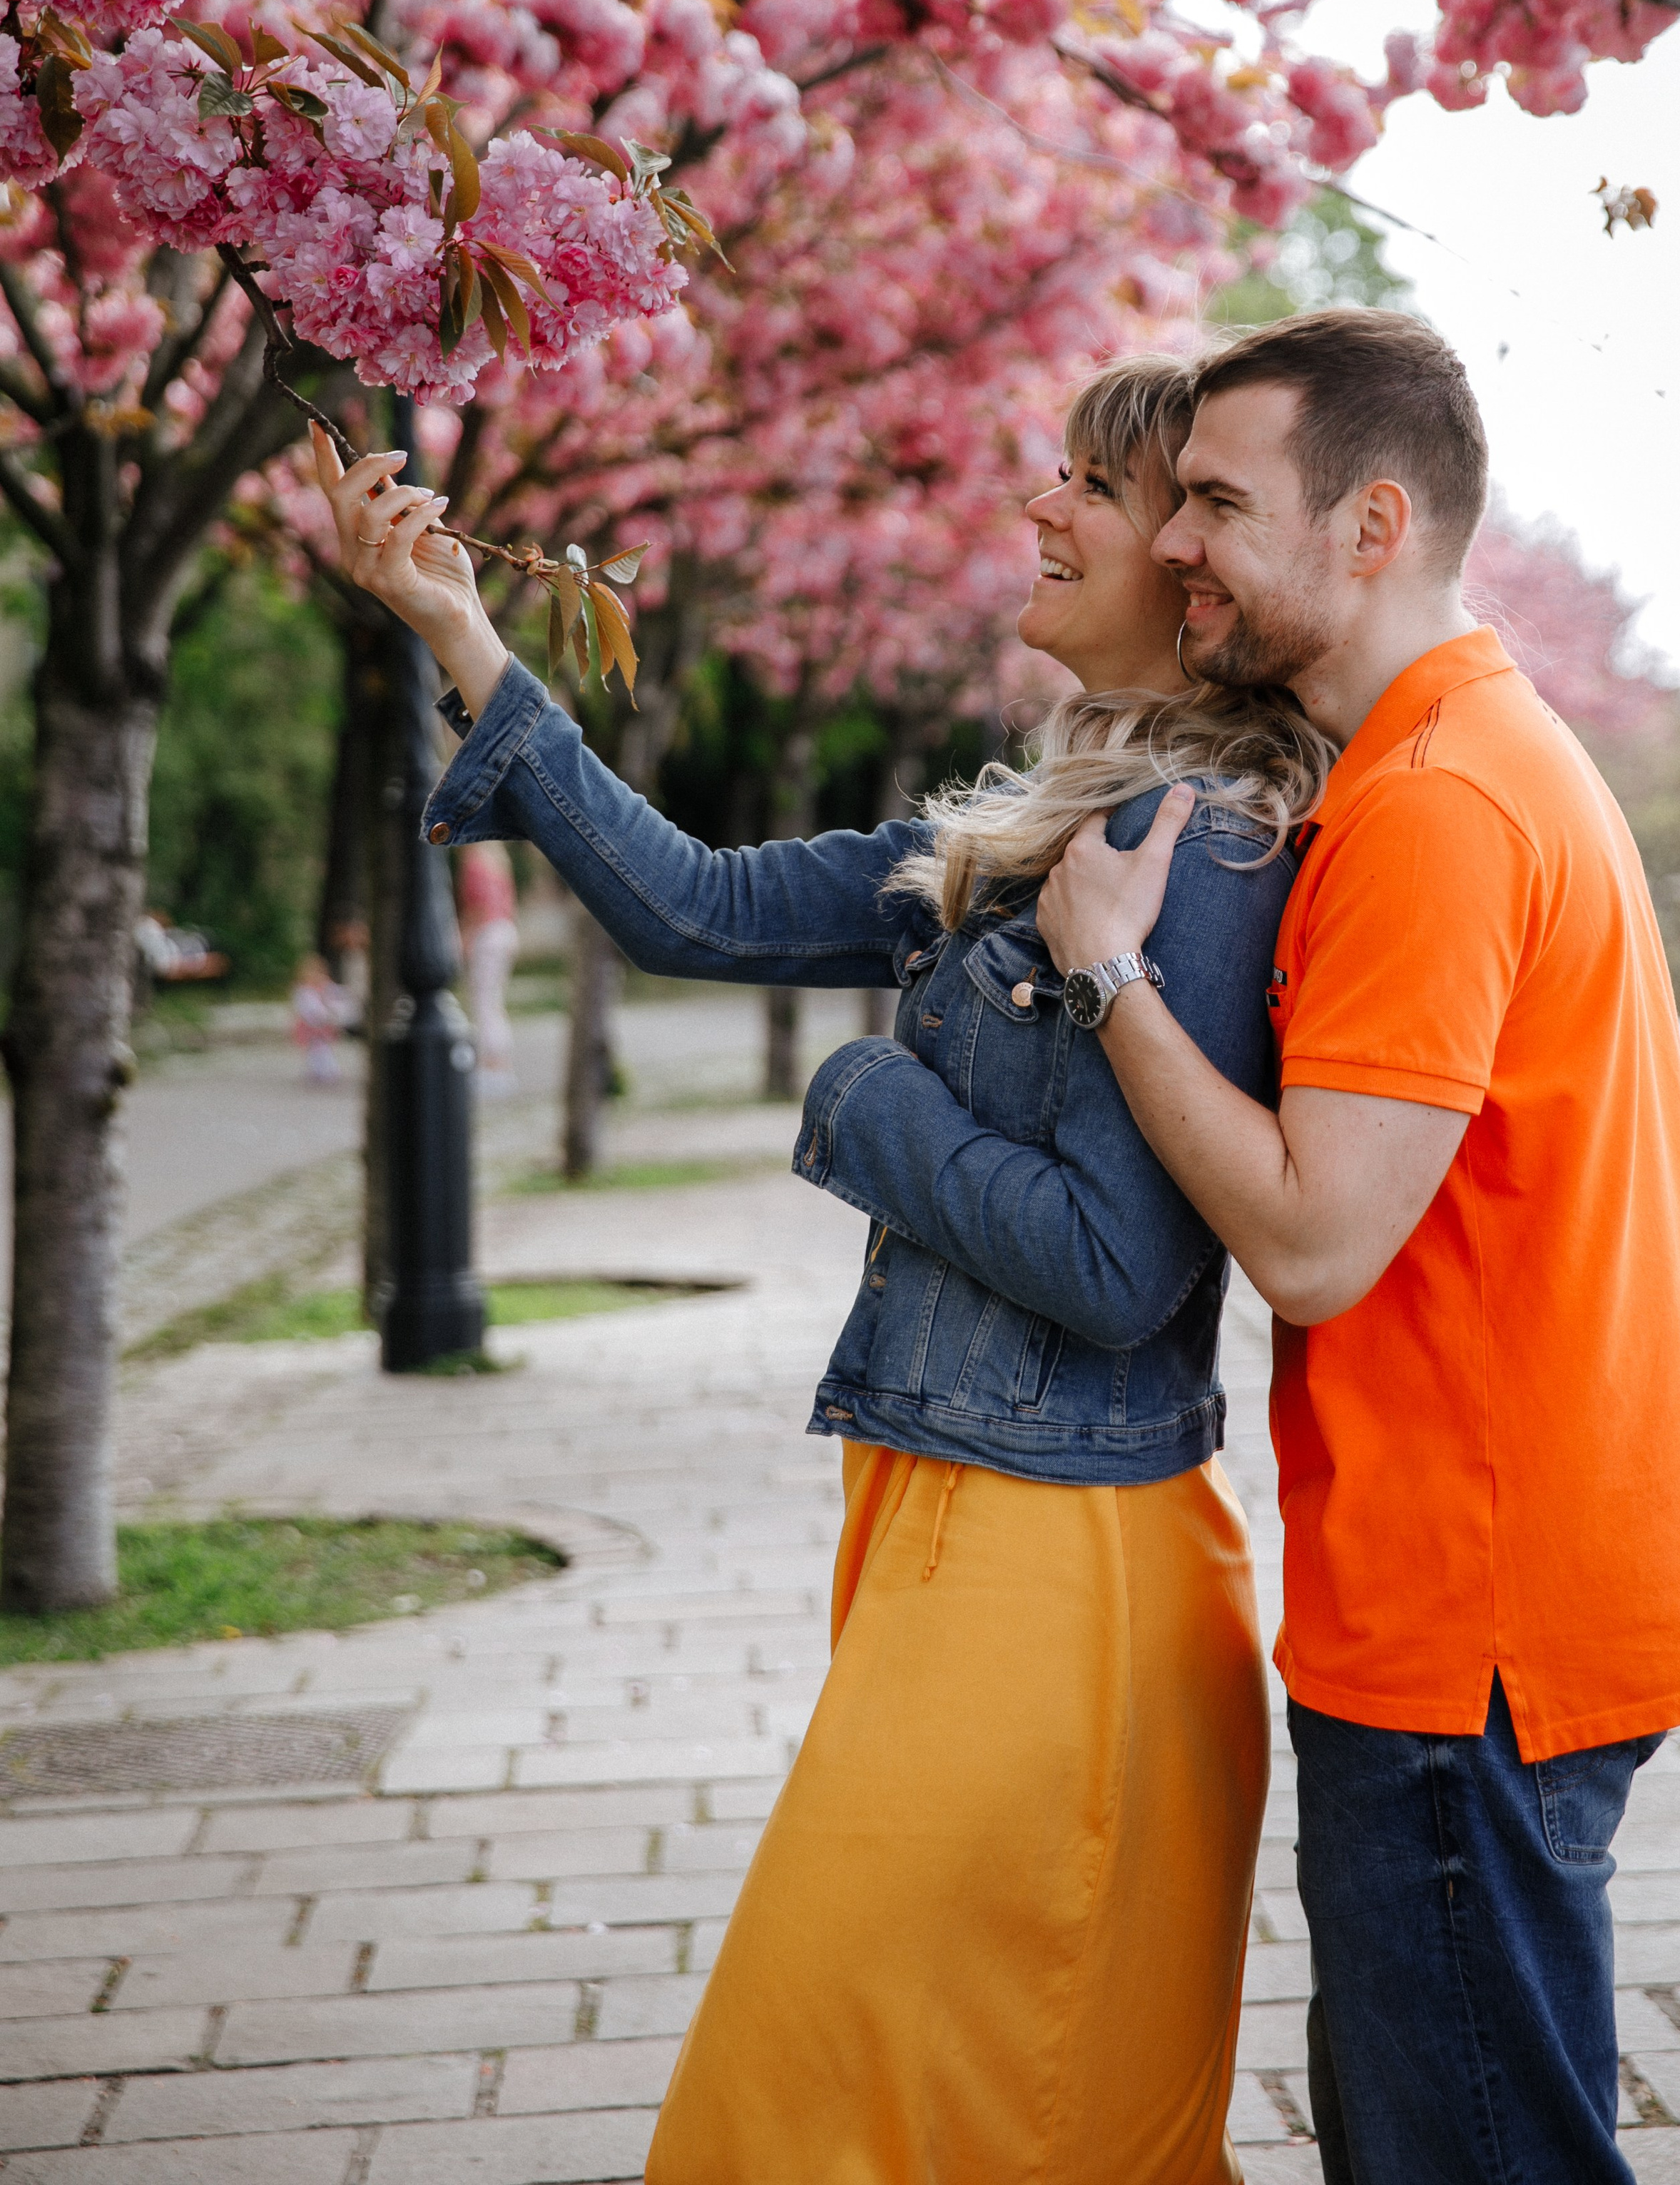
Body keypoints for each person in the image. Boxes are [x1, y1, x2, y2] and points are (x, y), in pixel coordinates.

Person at [312, 362, 1329, 2184]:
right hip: (955, 1514)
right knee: (990, 2114)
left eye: (1087, 487)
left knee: (801, 2110)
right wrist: (458, 626)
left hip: (1055, 1560)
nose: (1036, 509)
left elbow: (1116, 1270)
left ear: (1186, 564)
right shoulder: (1031, 827)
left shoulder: (1193, 854)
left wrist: (860, 1098)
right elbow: (692, 898)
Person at [1033, 309, 1680, 2185]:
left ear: (1369, 527)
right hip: (1518, 1598)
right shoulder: (1471, 751)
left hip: (1476, 1632)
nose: (1174, 538)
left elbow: (1316, 1244)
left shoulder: (1435, 807)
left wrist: (1108, 973)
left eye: (1214, 497)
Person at [455, 839, 519, 1095]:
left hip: (487, 935)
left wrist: (465, 938)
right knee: (494, 1002)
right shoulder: (499, 864)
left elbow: (478, 908)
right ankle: (499, 1064)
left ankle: (491, 1066)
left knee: (483, 1002)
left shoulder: (474, 864)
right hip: (505, 931)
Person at [289, 951, 353, 1084]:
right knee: (314, 1049)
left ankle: (329, 1069)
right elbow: (304, 1006)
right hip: (310, 1025)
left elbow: (338, 995)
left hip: (324, 1024)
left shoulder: (326, 987)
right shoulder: (304, 990)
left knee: (324, 1047)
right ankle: (317, 1069)